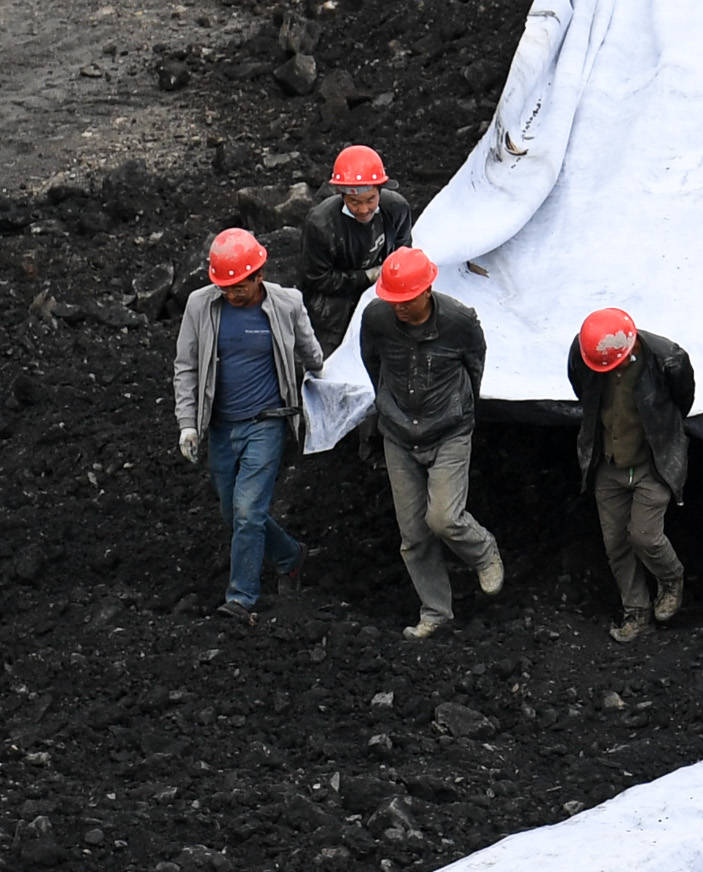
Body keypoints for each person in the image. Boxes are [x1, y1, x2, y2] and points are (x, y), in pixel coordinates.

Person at [172, 227, 325, 622]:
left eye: (240, 286)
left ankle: (241, 598)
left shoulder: (287, 304)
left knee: (247, 511)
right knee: (233, 513)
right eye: (225, 286)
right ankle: (291, 556)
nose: (233, 293)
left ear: (260, 274)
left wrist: (324, 396)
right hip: (222, 427)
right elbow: (186, 366)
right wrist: (188, 424)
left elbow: (312, 356)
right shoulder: (200, 306)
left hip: (267, 423)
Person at [356, 247, 502, 638]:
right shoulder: (376, 318)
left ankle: (484, 551)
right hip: (399, 433)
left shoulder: (459, 321)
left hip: (449, 430)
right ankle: (436, 611)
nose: (399, 307)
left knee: (444, 518)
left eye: (406, 299)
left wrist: (458, 410)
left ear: (427, 290)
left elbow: (475, 366)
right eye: (393, 300)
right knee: (414, 534)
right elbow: (372, 362)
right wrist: (390, 405)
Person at [565, 307, 695, 644]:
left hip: (652, 463)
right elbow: (584, 392)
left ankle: (671, 578)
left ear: (631, 347)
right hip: (609, 463)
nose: (609, 370)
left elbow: (683, 400)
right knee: (616, 543)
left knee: (645, 536)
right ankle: (636, 612)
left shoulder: (666, 359)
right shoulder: (586, 354)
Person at [302, 145, 417, 347]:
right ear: (341, 195)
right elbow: (317, 279)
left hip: (382, 290)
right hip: (336, 301)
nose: (363, 210)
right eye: (354, 202)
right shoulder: (321, 224)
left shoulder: (396, 209)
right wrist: (366, 276)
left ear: (381, 191)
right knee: (332, 359)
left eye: (370, 200)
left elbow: (403, 250)